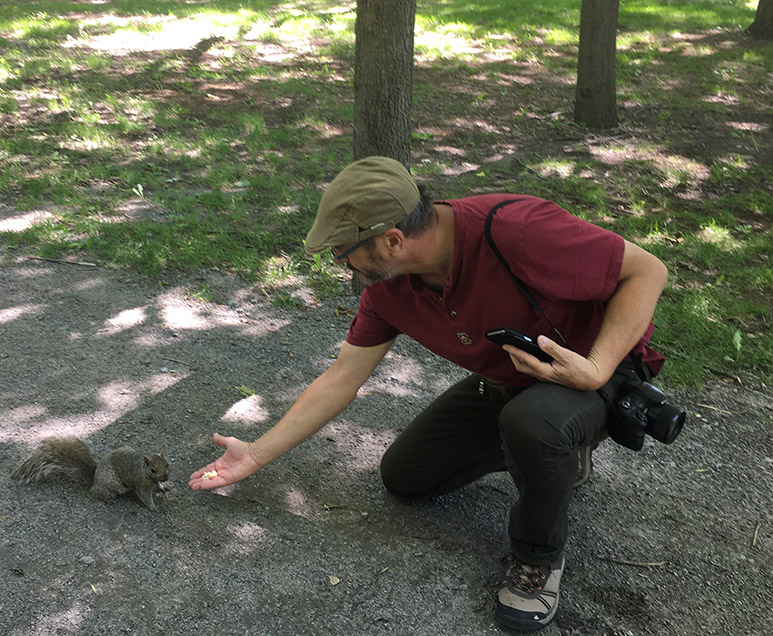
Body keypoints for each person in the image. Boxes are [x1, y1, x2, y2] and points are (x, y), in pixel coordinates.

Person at [189, 156, 668, 632]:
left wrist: (596, 368)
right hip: (511, 383)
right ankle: (555, 457)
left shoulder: (516, 231)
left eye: (343, 252)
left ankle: (537, 558)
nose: (342, 266)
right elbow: (340, 378)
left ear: (392, 239)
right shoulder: (387, 289)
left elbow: (647, 272)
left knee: (535, 425)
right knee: (407, 476)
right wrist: (254, 454)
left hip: (594, 370)